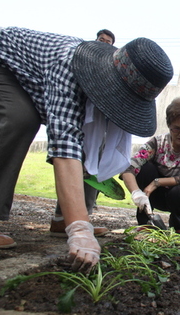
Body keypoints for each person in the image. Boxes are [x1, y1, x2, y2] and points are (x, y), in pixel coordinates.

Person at [0, 27, 173, 273]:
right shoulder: (68, 67)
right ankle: (73, 220)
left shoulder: (113, 73)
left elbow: (92, 146)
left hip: (30, 79)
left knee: (94, 140)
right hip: (2, 62)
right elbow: (64, 146)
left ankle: (63, 219)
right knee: (19, 119)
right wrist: (80, 230)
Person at [50, 28, 119, 237]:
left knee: (93, 170)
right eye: (101, 40)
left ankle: (82, 217)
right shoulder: (82, 60)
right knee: (74, 162)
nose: (104, 43)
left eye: (109, 42)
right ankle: (63, 219)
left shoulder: (112, 69)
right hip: (78, 120)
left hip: (100, 126)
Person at [120, 97, 180, 235]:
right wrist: (136, 192)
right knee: (145, 169)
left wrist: (157, 182)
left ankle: (177, 223)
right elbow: (129, 167)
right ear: (169, 125)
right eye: (176, 129)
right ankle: (146, 221)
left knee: (179, 193)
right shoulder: (157, 142)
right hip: (154, 195)